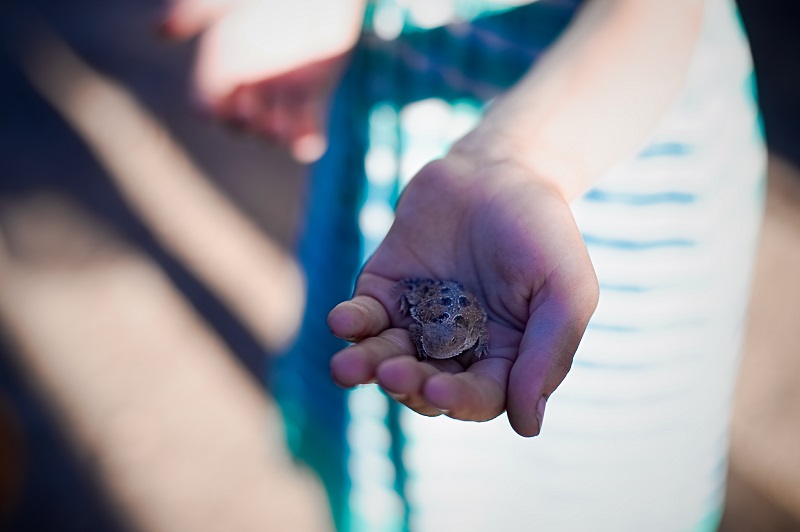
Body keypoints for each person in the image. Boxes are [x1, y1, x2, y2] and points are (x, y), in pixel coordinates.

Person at [162, 0, 766, 529]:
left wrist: (511, 162)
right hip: (391, 108)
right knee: (374, 432)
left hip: (598, 131)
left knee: (578, 491)